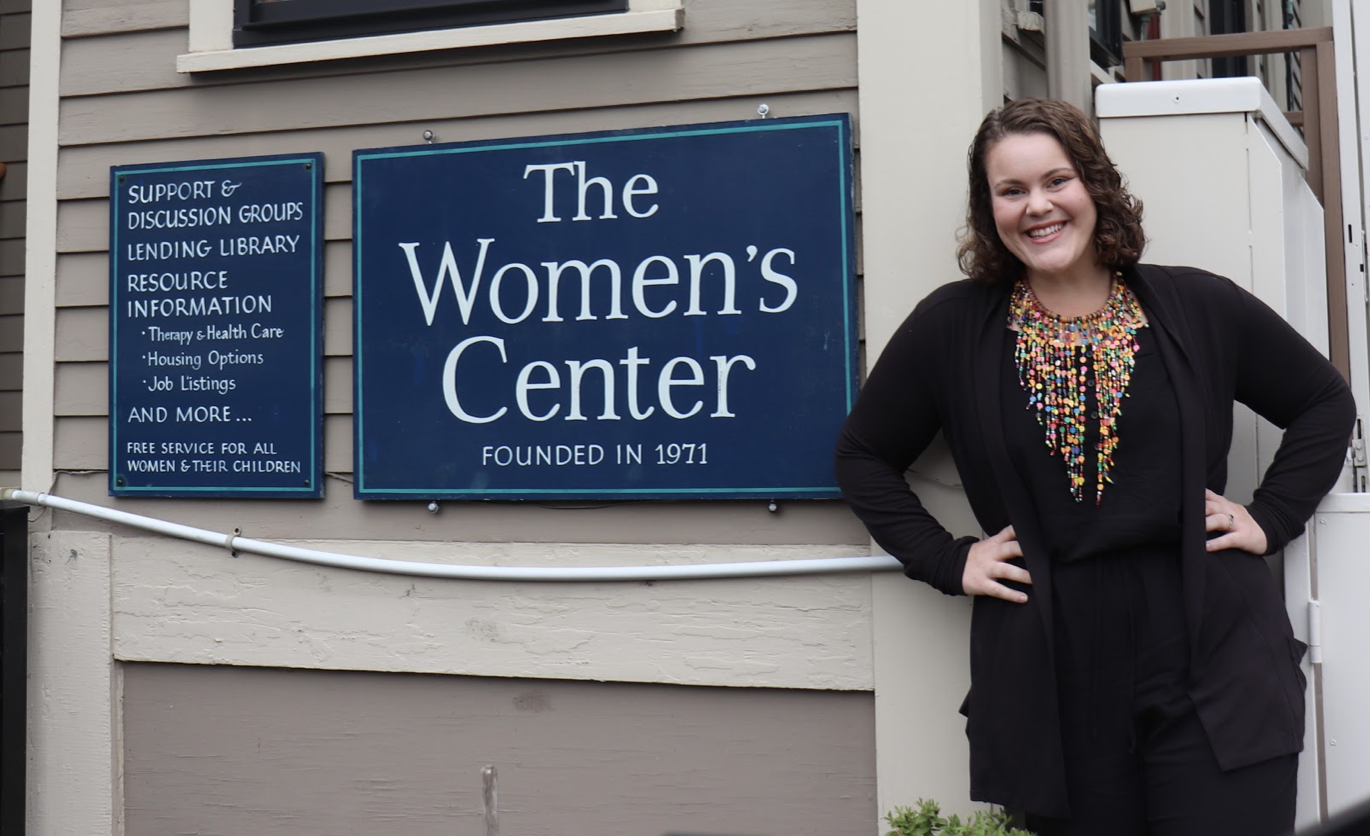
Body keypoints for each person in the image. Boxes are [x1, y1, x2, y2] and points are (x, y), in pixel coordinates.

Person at [833, 98, 1356, 835]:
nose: (1037, 207)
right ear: (989, 210)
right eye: (1010, 191)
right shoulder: (952, 328)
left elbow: (1324, 403)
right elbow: (862, 456)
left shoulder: (1196, 305)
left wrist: (1269, 519)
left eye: (1057, 181)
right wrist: (948, 559)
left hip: (1212, 652)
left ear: (1095, 186)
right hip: (1052, 668)